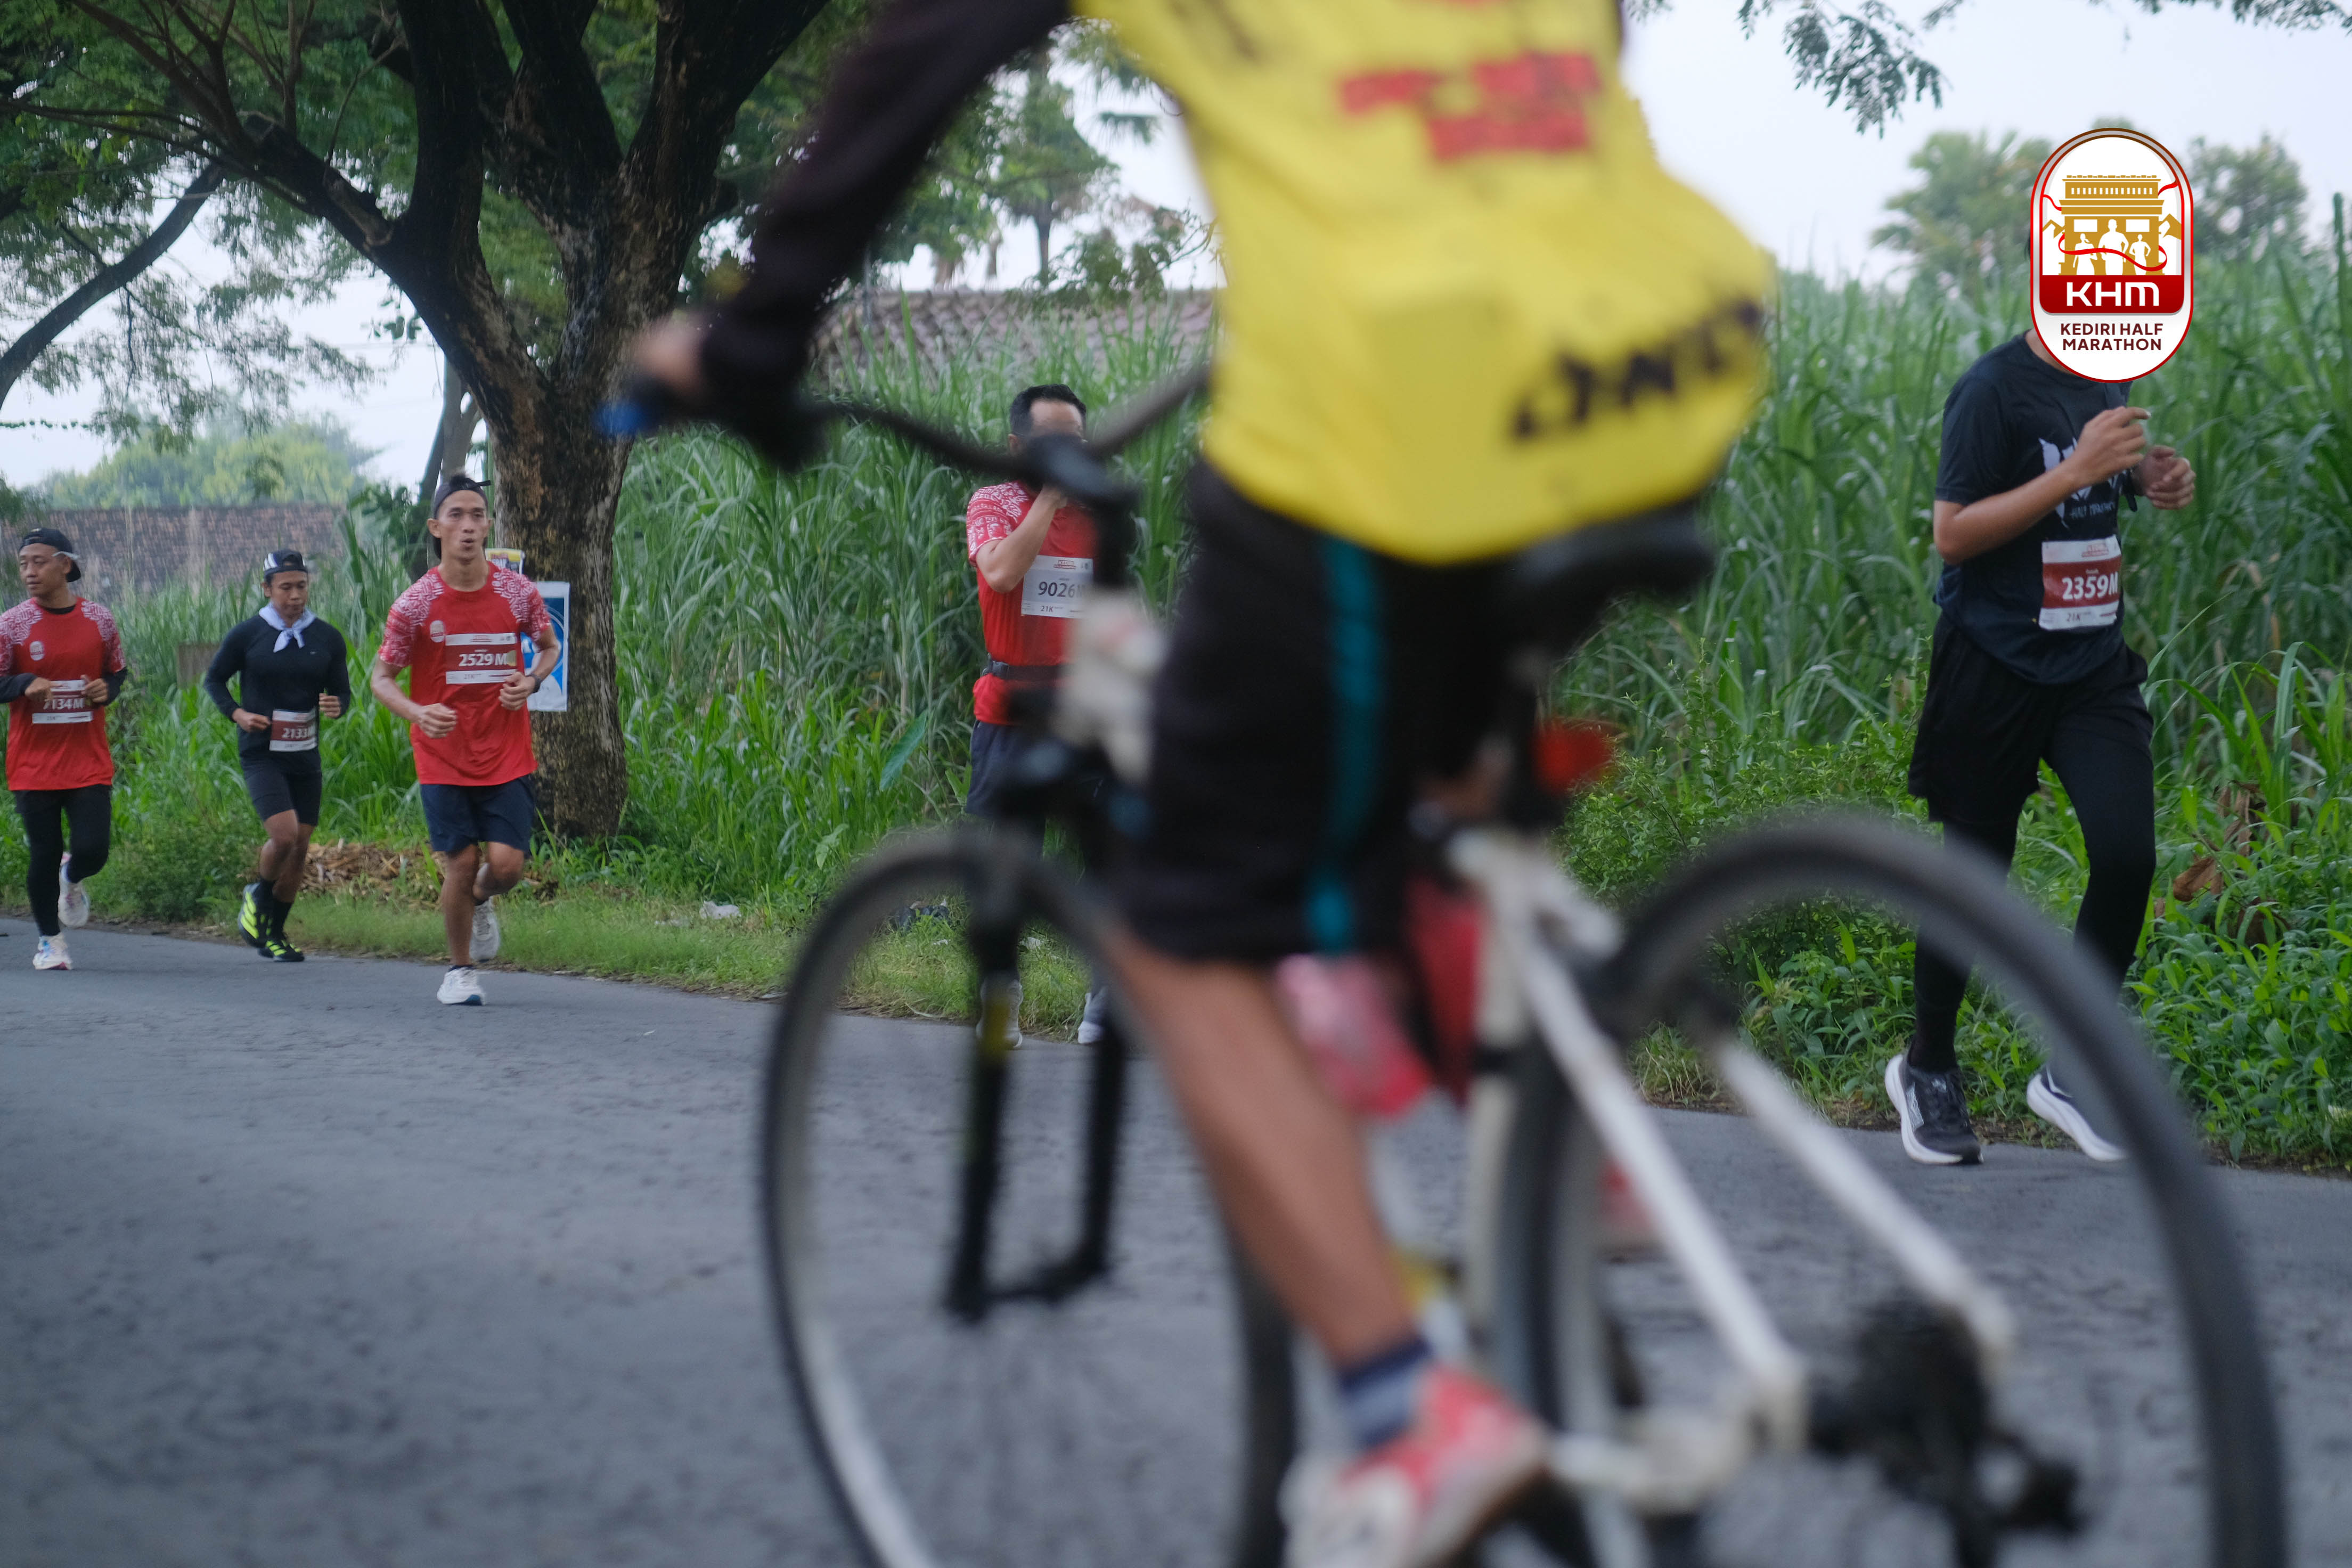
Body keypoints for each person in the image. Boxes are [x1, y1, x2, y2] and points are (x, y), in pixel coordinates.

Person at [632, 3, 1769, 1563]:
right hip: (1658, 351)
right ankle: (1573, 1151)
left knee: (1175, 930)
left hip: (1400, 407)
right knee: (1434, 794)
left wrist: (756, 332)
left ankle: (1412, 1411)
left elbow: (925, 43)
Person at [1887, 328, 2195, 1168]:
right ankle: (1928, 1068)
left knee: (2127, 856)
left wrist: (2145, 476)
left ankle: (2074, 1069)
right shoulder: (1990, 390)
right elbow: (1953, 534)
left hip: (2091, 664)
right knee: (1975, 877)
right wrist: (2073, 471)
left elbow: (2099, 478)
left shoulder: (2106, 373)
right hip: (1994, 662)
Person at [369, 476, 559, 1006]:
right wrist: (417, 712)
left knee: (507, 867)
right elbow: (381, 679)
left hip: (506, 752)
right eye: (456, 515)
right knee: (460, 860)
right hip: (443, 755)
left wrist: (532, 681)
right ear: (436, 527)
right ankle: (459, 971)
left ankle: (480, 898)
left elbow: (550, 647)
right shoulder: (415, 604)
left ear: (489, 524)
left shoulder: (517, 593)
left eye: (478, 514)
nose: (469, 526)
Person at [963, 383, 1112, 1046]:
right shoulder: (993, 503)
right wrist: (1049, 500)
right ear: (1017, 446)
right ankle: (1000, 1003)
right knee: (1007, 868)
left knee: (1110, 860)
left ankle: (1104, 1005)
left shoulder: (1099, 514)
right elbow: (999, 574)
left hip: (1084, 713)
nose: (1067, 451)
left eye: (1075, 439)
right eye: (1052, 440)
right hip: (1009, 713)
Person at [204, 550, 354, 962]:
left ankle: (275, 934)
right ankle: (258, 893)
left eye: (301, 586)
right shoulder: (248, 634)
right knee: (284, 836)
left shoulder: (327, 637)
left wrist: (338, 705)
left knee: (300, 848)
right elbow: (214, 680)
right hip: (262, 753)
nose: (295, 596)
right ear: (267, 589)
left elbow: (342, 691)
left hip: (304, 754)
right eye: (286, 588)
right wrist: (237, 713)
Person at [1, 528, 128, 971]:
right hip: (33, 763)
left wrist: (105, 690)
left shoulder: (99, 620)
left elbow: (117, 672)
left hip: (87, 759)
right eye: (23, 564)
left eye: (38, 562)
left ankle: (71, 877)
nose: (29, 572)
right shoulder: (12, 624)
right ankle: (50, 943)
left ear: (65, 565)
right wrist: (23, 683)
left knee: (94, 849)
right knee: (44, 850)